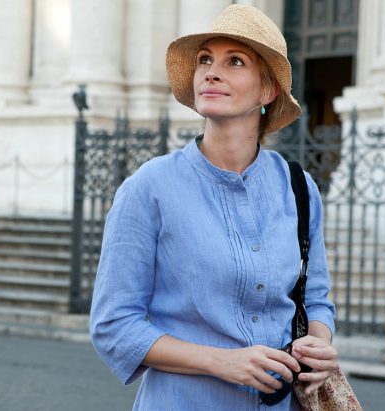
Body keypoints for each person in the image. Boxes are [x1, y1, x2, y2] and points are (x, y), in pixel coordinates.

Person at [89, 5, 337, 410]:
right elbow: (114, 326)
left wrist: (319, 344)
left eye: (234, 61)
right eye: (205, 59)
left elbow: (317, 298)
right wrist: (221, 362)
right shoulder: (149, 188)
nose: (211, 71)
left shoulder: (298, 187)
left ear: (267, 91)